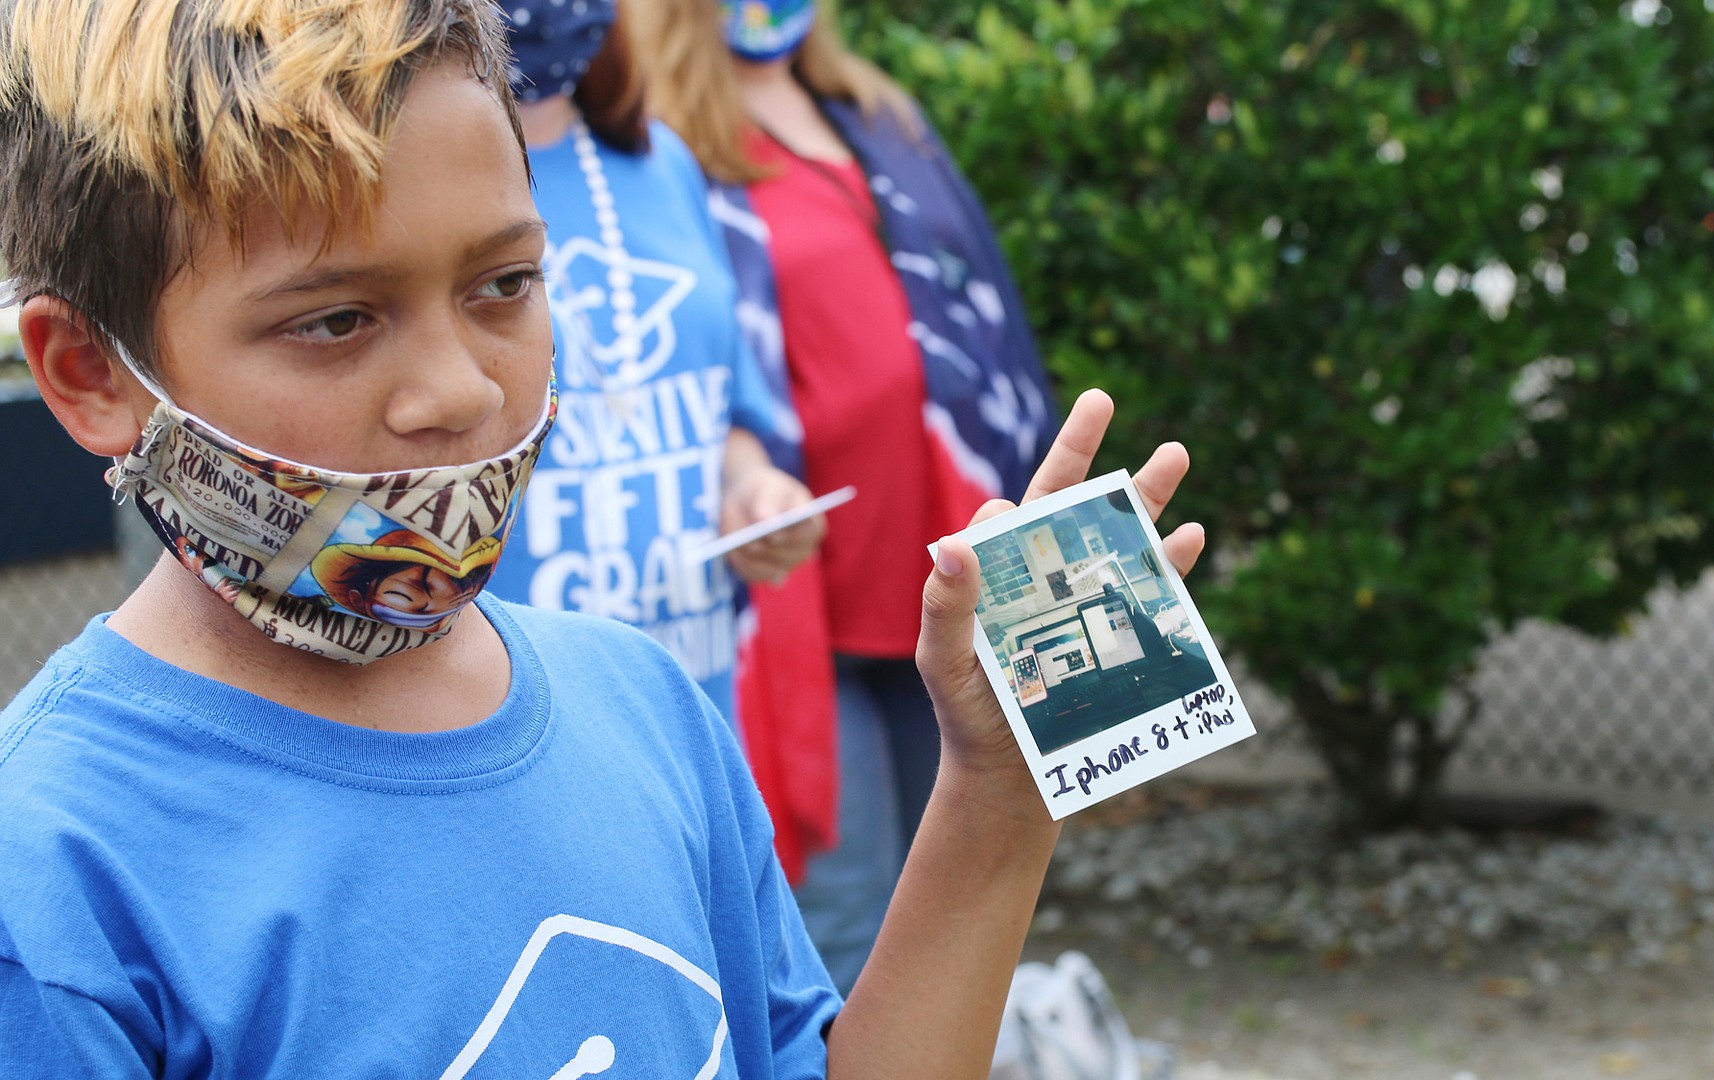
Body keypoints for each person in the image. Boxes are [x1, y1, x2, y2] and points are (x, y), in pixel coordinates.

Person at [0, 0, 1205, 1074]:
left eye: (503, 286)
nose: (461, 390)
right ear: (91, 369)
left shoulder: (646, 702)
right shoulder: (53, 875)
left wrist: (1000, 794)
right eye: (335, 320)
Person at [635, 0, 1060, 992]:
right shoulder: (658, 150)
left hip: (947, 568)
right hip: (796, 591)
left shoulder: (875, 111)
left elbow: (984, 317)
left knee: (970, 880)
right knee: (845, 915)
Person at [484, 0, 822, 723]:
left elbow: (722, 404)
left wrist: (756, 490)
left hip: (696, 684)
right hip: (528, 703)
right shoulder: (420, 184)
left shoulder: (662, 160)